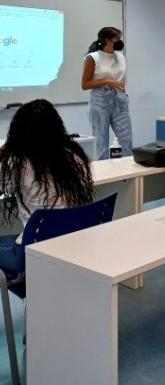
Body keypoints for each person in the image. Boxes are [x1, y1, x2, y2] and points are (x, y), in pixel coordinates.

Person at [0, 99, 95, 272]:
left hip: (32, 251)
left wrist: (3, 152)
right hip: (71, 245)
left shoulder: (18, 162)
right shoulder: (74, 157)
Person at [81, 26, 133, 160]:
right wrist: (107, 81)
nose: (120, 41)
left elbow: (119, 77)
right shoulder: (93, 58)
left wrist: (122, 93)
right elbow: (85, 84)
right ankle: (103, 174)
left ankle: (127, 174)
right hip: (100, 99)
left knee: (126, 140)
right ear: (108, 41)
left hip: (119, 98)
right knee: (101, 142)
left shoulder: (120, 57)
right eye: (117, 39)